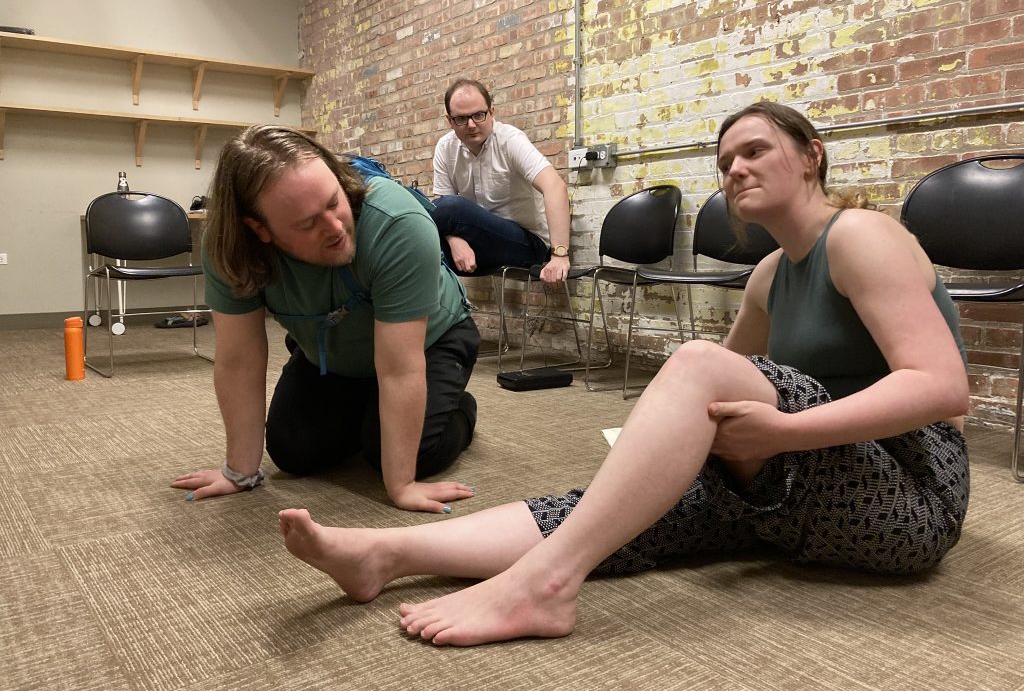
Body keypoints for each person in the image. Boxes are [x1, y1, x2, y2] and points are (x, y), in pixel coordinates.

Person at [277, 101, 971, 645]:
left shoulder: (861, 235)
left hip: (912, 494)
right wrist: (665, 452)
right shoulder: (768, 276)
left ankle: (546, 586)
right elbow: (721, 393)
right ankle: (385, 556)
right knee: (611, 506)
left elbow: (943, 390)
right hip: (810, 483)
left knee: (694, 363)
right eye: (725, 159)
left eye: (755, 150)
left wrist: (781, 434)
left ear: (812, 155)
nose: (734, 169)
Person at [172, 125, 480, 514]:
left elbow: (400, 369)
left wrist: (402, 485)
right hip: (334, 350)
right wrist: (239, 471)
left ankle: (460, 407)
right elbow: (239, 359)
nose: (336, 227)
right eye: (307, 224)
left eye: (334, 202)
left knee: (407, 453)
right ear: (259, 229)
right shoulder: (230, 249)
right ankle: (374, 411)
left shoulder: (398, 222)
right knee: (293, 451)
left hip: (429, 343)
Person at [431, 79, 573, 284]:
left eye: (479, 115)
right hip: (479, 245)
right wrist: (455, 241)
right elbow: (442, 214)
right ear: (449, 121)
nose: (471, 125)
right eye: (461, 119)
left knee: (451, 207)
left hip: (528, 245)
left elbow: (555, 186)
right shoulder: (445, 147)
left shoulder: (510, 140)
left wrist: (559, 255)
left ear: (492, 112)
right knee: (421, 248)